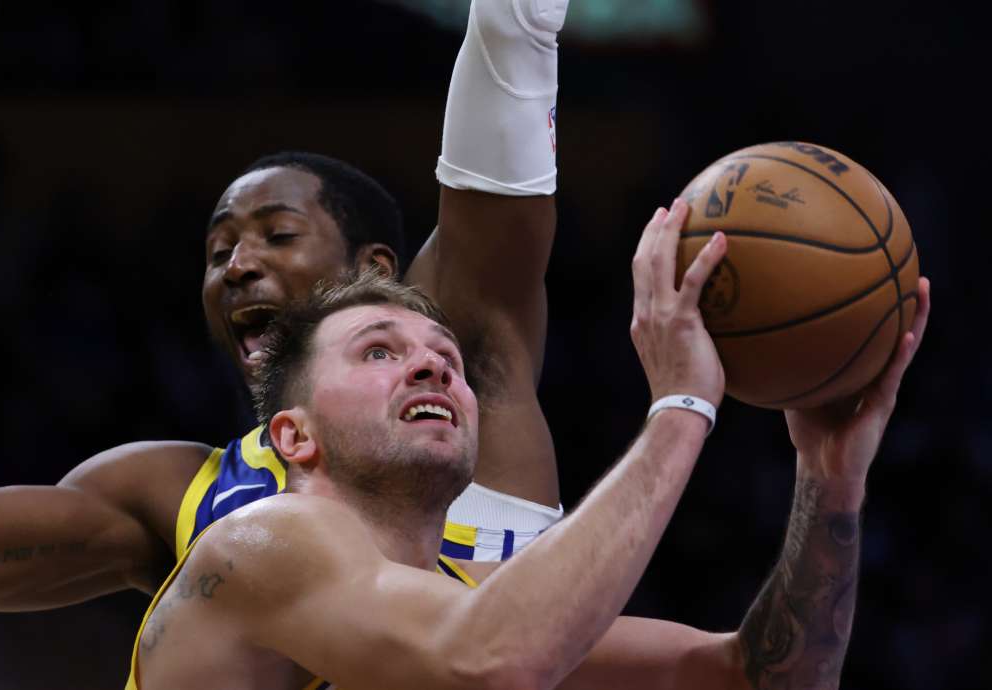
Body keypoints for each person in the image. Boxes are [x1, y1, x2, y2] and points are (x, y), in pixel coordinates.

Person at [0, 0, 567, 616]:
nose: (237, 266)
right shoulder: (177, 493)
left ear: (375, 269)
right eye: (217, 254)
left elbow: (511, 52)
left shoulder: (463, 370)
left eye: (277, 235)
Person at [128, 209, 932, 690]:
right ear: (292, 437)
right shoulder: (263, 546)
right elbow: (495, 665)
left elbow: (764, 677)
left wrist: (830, 481)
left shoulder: (469, 599)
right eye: (378, 350)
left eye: (445, 357)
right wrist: (683, 406)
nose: (430, 363)